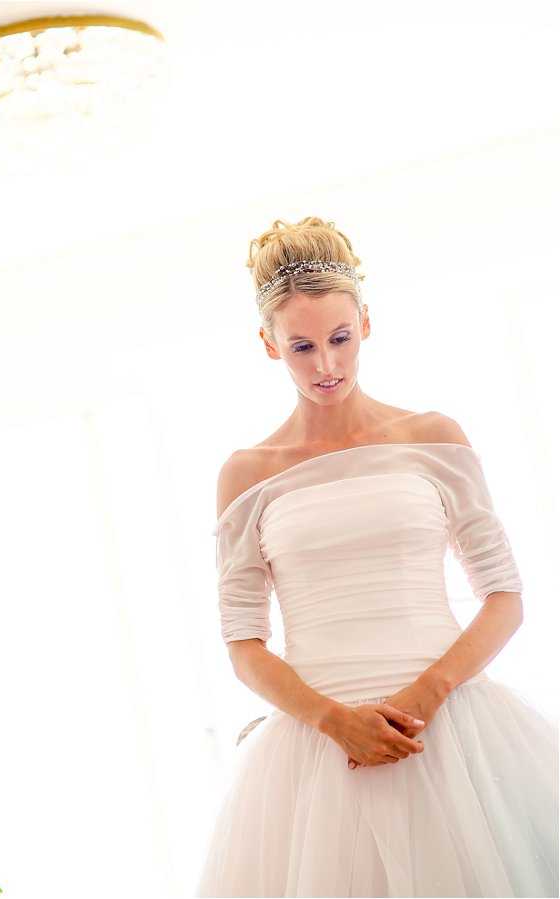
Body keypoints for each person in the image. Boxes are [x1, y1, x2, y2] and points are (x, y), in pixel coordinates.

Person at [194, 216, 558, 897]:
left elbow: (504, 596)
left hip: (453, 726)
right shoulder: (245, 474)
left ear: (366, 322)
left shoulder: (432, 437)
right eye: (301, 345)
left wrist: (422, 697)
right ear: (268, 344)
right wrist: (337, 721)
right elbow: (244, 644)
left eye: (339, 338)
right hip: (317, 746)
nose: (326, 365)